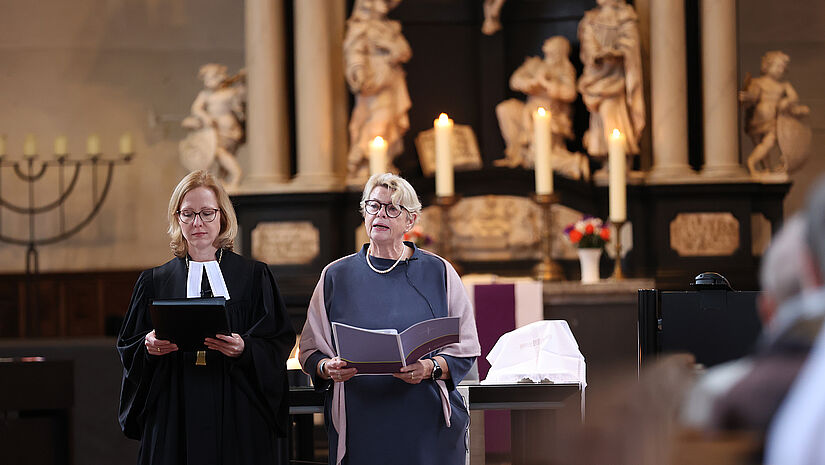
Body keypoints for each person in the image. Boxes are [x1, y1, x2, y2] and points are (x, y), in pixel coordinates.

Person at [299, 173, 481, 465]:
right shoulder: (335, 275)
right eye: (373, 206)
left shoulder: (439, 272)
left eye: (392, 208)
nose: (380, 214)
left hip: (424, 419)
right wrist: (326, 367)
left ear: (410, 221)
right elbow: (309, 351)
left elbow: (465, 348)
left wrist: (429, 367)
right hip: (360, 420)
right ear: (364, 213)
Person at [117, 170, 295, 465]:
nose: (197, 222)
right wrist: (148, 346)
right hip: (174, 407)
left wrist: (245, 348)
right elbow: (128, 347)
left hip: (236, 407)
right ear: (178, 218)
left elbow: (278, 340)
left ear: (222, 217)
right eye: (188, 214)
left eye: (207, 213)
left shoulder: (253, 277)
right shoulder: (154, 281)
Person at [495, 35, 589, 180]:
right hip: (529, 111)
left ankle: (574, 163)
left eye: (553, 45)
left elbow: (570, 93)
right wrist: (531, 82)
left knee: (539, 155)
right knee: (506, 109)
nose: (547, 45)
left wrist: (547, 84)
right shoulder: (535, 64)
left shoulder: (564, 69)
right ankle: (517, 154)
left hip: (551, 117)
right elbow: (515, 81)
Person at [343, 0, 412, 184]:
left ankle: (382, 162)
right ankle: (363, 159)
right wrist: (357, 71)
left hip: (390, 79)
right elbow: (354, 51)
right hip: (372, 80)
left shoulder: (389, 28)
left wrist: (390, 48)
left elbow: (404, 51)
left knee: (388, 121)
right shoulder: (362, 27)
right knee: (374, 119)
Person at [577, 0, 645, 160]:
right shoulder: (590, 19)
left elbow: (630, 45)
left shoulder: (625, 17)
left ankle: (618, 159)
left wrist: (617, 53)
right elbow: (588, 46)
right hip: (596, 77)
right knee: (601, 116)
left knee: (611, 113)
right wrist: (596, 54)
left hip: (616, 78)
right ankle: (608, 158)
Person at [739, 51, 810, 176]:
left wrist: (789, 103)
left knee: (769, 142)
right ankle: (756, 165)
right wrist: (747, 97)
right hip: (759, 118)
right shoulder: (757, 82)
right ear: (767, 66)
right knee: (763, 145)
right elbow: (753, 96)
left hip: (775, 119)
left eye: (783, 67)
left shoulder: (784, 86)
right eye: (778, 66)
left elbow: (793, 98)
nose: (780, 70)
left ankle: (756, 165)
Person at [181, 64, 246, 190]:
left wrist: (242, 81)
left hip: (228, 128)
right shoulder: (205, 95)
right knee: (217, 153)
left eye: (210, 78)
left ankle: (236, 175)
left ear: (219, 77)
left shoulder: (229, 93)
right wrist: (205, 116)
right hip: (214, 129)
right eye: (205, 79)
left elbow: (240, 104)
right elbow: (196, 108)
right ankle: (224, 180)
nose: (207, 82)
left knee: (219, 152)